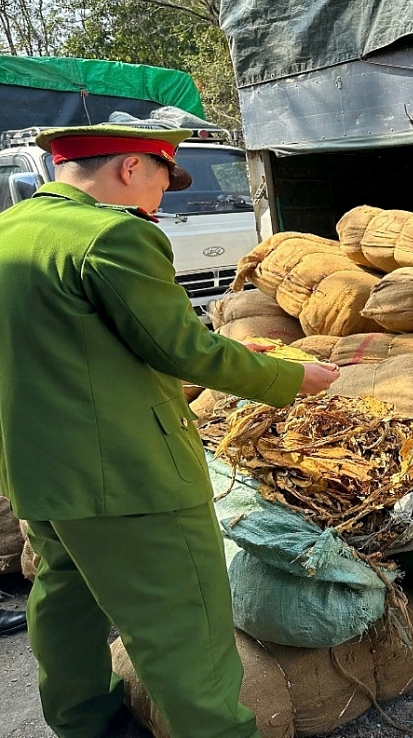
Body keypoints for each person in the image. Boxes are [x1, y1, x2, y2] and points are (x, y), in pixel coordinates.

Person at [0, 115, 340, 738]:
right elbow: (180, 349)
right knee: (183, 626)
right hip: (126, 474)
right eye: (163, 182)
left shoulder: (12, 229)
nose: (163, 199)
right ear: (131, 168)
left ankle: (86, 722)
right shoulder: (112, 237)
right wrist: (293, 381)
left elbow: (77, 346)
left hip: (40, 469)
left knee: (65, 597)